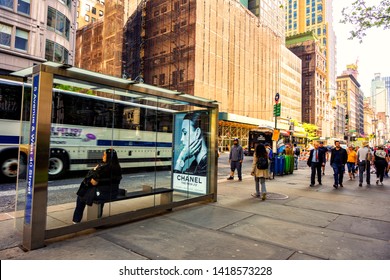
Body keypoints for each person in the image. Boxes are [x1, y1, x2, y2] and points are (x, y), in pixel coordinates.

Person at [72, 149, 122, 223]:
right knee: (102, 191)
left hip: (102, 194)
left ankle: (76, 220)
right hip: (113, 193)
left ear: (108, 157)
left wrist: (94, 170)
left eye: (104, 155)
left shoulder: (103, 168)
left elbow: (94, 182)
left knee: (81, 197)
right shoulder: (118, 168)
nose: (103, 156)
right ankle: (99, 215)